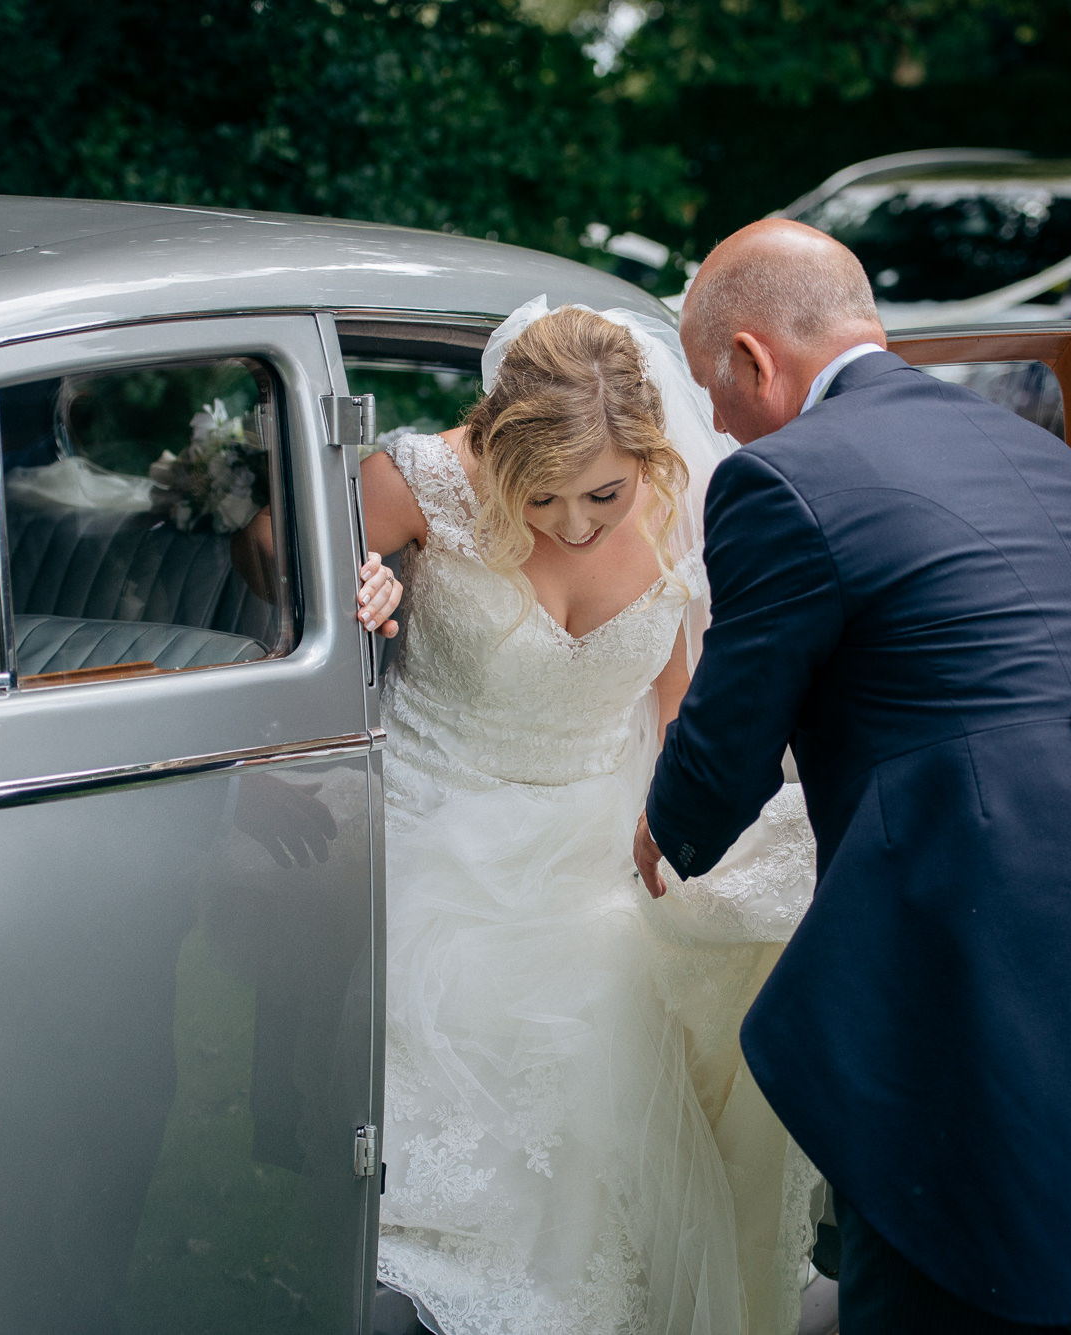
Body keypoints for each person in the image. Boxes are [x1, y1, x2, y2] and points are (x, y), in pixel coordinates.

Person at [633, 219, 1071, 1334]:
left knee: (924, 1245)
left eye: (711, 389)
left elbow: (734, 721)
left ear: (750, 357)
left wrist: (664, 831)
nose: (717, 423)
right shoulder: (1031, 448)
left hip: (981, 895)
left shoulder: (777, 479)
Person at [351, 299, 823, 1335]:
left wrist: (703, 849)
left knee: (627, 1022)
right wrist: (356, 577)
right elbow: (269, 554)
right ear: (494, 452)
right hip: (430, 825)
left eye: (603, 493)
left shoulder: (681, 502)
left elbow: (682, 714)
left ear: (649, 454)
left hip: (594, 839)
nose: (572, 525)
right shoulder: (419, 480)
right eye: (543, 498)